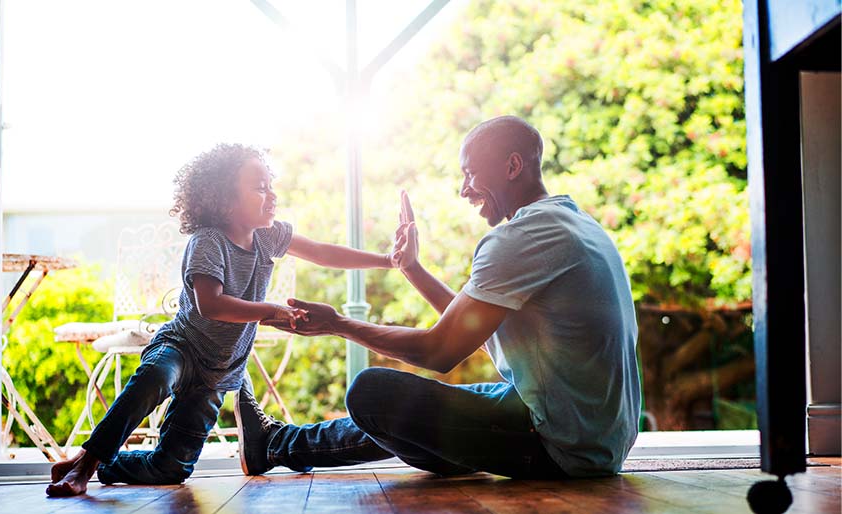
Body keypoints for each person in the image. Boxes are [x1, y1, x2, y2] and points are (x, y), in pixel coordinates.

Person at [237, 115, 641, 479]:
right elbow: (470, 327)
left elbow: (439, 352)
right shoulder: (571, 223)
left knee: (372, 393)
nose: (464, 191)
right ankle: (273, 446)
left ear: (513, 166)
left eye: (470, 174)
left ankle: (277, 445)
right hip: (595, 435)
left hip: (561, 446)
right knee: (441, 403)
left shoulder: (521, 238)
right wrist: (411, 267)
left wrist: (337, 324)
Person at [46, 143, 403, 496]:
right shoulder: (207, 242)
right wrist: (271, 310)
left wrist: (389, 260)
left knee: (171, 469)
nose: (272, 195)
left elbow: (323, 253)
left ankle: (100, 467)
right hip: (182, 349)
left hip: (217, 374)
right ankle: (84, 465)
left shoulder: (268, 236)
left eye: (270, 185)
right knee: (155, 376)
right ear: (225, 200)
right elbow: (210, 305)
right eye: (260, 188)